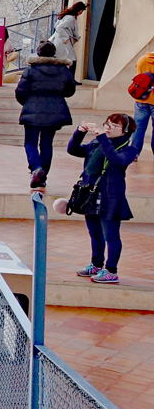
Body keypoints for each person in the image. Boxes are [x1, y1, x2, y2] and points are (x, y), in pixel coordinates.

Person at [67, 113, 138, 284]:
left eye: (114, 125)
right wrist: (80, 131)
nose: (108, 127)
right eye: (107, 123)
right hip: (90, 194)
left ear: (125, 131)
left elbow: (115, 160)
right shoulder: (95, 143)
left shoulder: (129, 149)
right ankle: (96, 264)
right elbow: (73, 149)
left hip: (111, 197)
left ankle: (111, 270)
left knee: (111, 235)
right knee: (95, 234)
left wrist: (101, 137)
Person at [15, 40, 75, 188]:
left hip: (32, 110)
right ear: (54, 53)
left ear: (38, 53)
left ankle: (36, 169)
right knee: (47, 144)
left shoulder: (30, 70)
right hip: (55, 111)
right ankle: (43, 177)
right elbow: (70, 91)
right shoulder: (64, 70)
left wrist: (28, 103)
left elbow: (20, 92)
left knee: (30, 142)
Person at [51, 1, 86, 82]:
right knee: (72, 60)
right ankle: (70, 80)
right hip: (63, 42)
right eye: (81, 11)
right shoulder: (70, 18)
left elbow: (56, 26)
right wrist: (66, 37)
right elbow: (59, 27)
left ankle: (67, 79)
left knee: (62, 60)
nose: (81, 13)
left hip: (59, 41)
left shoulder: (66, 16)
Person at [133, 51, 154, 157]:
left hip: (141, 99)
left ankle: (135, 153)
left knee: (138, 128)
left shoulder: (142, 59)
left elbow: (137, 76)